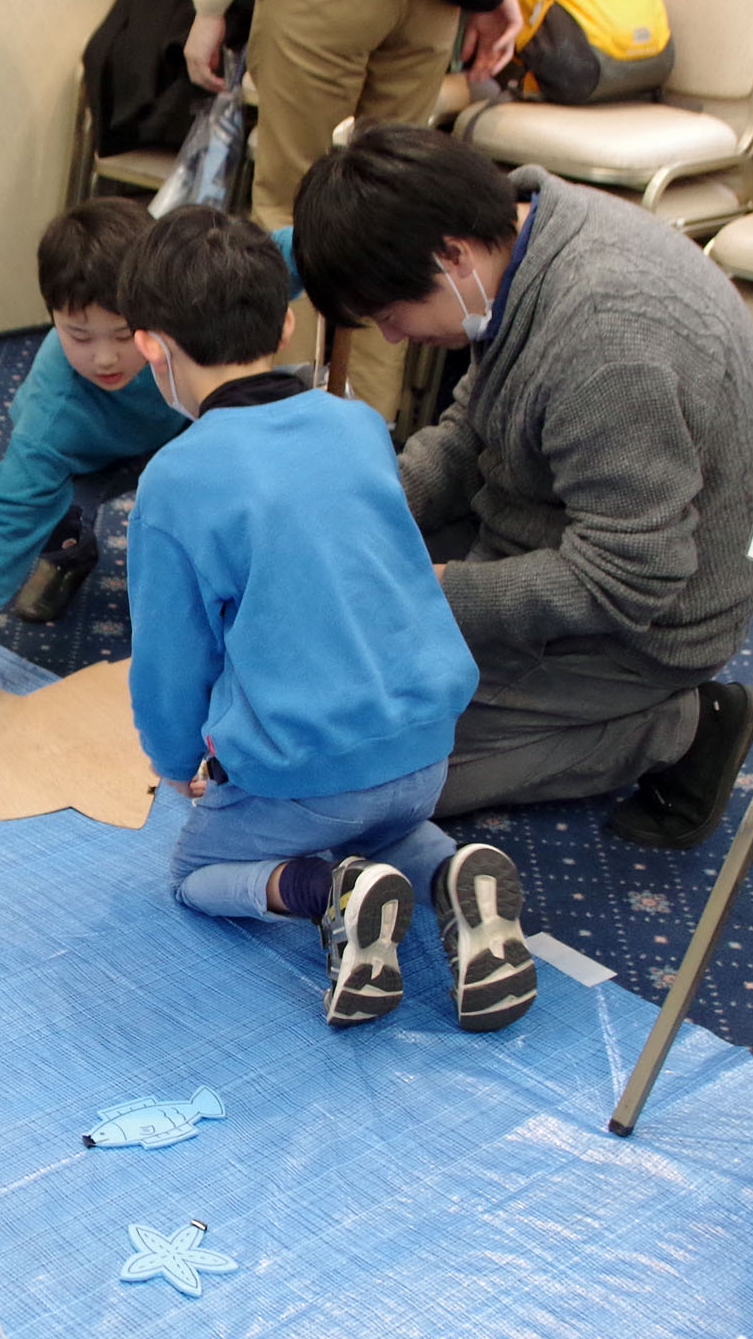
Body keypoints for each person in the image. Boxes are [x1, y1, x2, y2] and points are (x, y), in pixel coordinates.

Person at [290, 123, 753, 849]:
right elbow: (470, 427)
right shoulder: (519, 240)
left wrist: (428, 591)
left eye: (392, 316)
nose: (391, 340)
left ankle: (681, 724)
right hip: (541, 521)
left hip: (646, 623)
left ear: (449, 256)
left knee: (364, 780)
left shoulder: (609, 343)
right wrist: (367, 516)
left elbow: (628, 579)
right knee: (328, 658)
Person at [116, 203, 535, 1032]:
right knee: (376, 823)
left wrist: (175, 762)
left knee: (195, 874)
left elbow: (172, 662)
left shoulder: (177, 477)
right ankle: (453, 877)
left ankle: (326, 895)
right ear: (283, 320)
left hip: (305, 775)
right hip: (425, 755)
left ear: (151, 348)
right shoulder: (357, 424)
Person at [185, 0, 535, 420]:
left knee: (290, 209)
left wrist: (210, 2)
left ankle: (272, 431)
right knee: (399, 224)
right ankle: (370, 444)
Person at [0, 199, 183, 736]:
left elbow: (267, 264)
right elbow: (6, 521)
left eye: (123, 334)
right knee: (49, 511)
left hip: (180, 437)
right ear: (51, 318)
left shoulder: (188, 303)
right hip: (84, 460)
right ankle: (71, 551)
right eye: (78, 335)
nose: (105, 359)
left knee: (205, 502)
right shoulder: (51, 414)